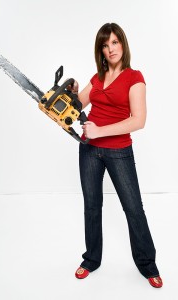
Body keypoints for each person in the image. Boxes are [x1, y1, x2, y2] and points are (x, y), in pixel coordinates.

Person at [69, 22, 163, 288]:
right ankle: (91, 260)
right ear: (100, 49)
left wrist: (100, 131)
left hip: (119, 150)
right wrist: (74, 91)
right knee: (91, 205)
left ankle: (148, 265)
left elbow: (138, 120)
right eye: (105, 44)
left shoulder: (135, 77)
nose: (111, 48)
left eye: (115, 42)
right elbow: (79, 104)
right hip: (88, 149)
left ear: (123, 44)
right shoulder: (97, 78)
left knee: (133, 208)